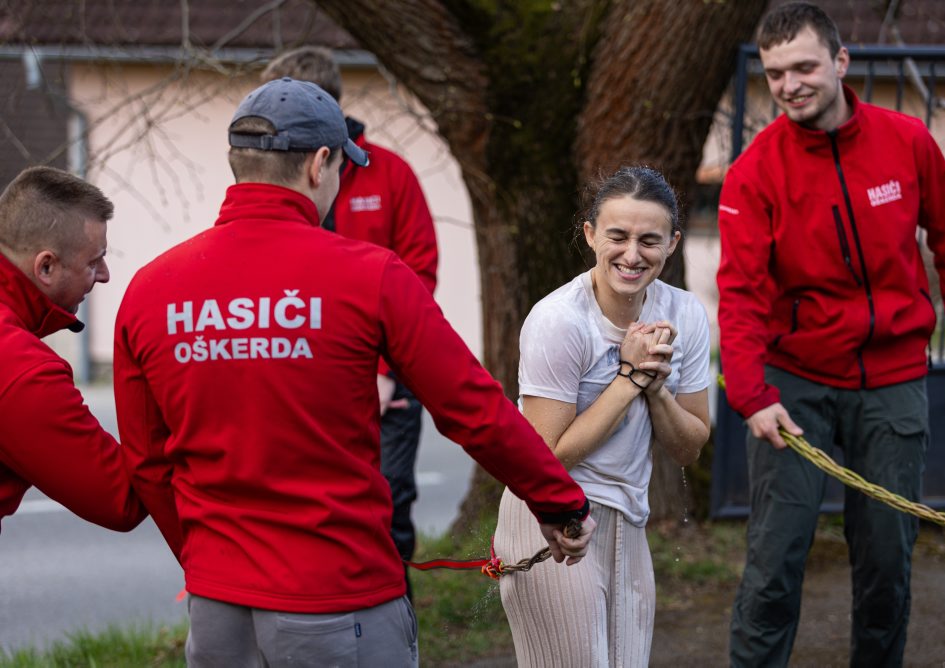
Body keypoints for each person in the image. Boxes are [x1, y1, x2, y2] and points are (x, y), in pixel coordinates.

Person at [113, 77, 596, 666]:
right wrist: (560, 503)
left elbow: (146, 460)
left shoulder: (150, 289)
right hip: (341, 601)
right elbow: (471, 406)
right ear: (319, 164)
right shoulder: (373, 276)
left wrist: (206, 562)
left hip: (217, 609)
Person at [717, 3, 945, 666]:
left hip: (893, 378)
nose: (790, 85)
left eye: (804, 67)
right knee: (774, 562)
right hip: (795, 381)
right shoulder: (755, 172)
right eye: (776, 73)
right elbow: (740, 294)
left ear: (841, 62)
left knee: (886, 564)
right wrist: (753, 396)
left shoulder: (908, 141)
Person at [494, 166, 712, 667]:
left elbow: (689, 446)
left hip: (628, 520)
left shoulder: (684, 314)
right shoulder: (559, 320)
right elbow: (544, 458)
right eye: (618, 236)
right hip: (551, 515)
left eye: (649, 240)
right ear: (591, 234)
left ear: (673, 243)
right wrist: (629, 378)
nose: (632, 255)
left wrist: (655, 390)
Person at [262, 47, 438, 594]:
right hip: (300, 373)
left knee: (389, 503)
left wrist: (382, 372)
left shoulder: (390, 173)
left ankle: (392, 617)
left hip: (388, 380)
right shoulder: (271, 182)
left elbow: (419, 273)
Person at [0, 166, 145, 533]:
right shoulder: (19, 367)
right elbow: (120, 498)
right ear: (46, 267)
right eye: (93, 261)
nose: (105, 275)